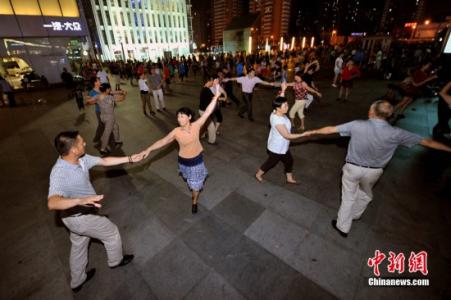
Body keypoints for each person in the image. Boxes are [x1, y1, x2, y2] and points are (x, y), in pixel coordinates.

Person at [301, 100, 451, 237]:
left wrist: (310, 132)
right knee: (366, 194)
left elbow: (330, 129)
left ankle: (343, 226)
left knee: (348, 196)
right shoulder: (396, 133)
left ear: (371, 112)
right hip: (374, 172)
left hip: (353, 168)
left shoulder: (357, 125)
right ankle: (355, 215)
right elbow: (427, 142)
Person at [48, 131, 141, 292]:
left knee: (79, 245)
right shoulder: (60, 173)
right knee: (111, 232)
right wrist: (80, 201)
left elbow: (104, 161)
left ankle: (77, 281)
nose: (85, 143)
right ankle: (116, 260)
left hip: (73, 219)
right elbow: (52, 202)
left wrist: (130, 158)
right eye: (81, 142)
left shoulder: (81, 159)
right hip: (79, 218)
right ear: (73, 150)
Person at [139, 88, 224, 214]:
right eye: (178, 116)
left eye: (182, 116)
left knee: (195, 186)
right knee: (189, 179)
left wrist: (216, 96)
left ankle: (194, 201)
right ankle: (193, 191)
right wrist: (148, 149)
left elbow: (207, 112)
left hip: (197, 161)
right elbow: (163, 141)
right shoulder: (176, 132)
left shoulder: (196, 125)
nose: (179, 119)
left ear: (189, 117)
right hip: (183, 161)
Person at [255, 82, 306, 184]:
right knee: (271, 163)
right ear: (278, 108)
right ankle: (258, 174)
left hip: (283, 146)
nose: (287, 107)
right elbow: (287, 135)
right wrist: (304, 134)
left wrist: (283, 89)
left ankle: (289, 178)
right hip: (276, 148)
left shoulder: (277, 110)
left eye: (287, 105)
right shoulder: (276, 119)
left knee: (289, 161)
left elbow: (280, 100)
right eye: (285, 106)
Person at [199, 75, 227, 145]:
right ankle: (211, 141)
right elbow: (214, 97)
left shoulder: (205, 88)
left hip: (203, 110)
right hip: (204, 111)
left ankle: (202, 135)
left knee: (204, 124)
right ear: (207, 82)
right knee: (211, 126)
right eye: (211, 82)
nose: (212, 83)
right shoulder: (206, 90)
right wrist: (222, 98)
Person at [97, 83, 122, 154]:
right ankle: (103, 149)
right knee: (107, 133)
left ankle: (117, 140)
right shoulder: (109, 97)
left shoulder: (99, 96)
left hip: (102, 116)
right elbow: (120, 99)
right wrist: (124, 95)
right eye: (109, 88)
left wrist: (120, 92)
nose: (110, 89)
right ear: (106, 89)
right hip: (109, 117)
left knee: (115, 127)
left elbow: (112, 92)